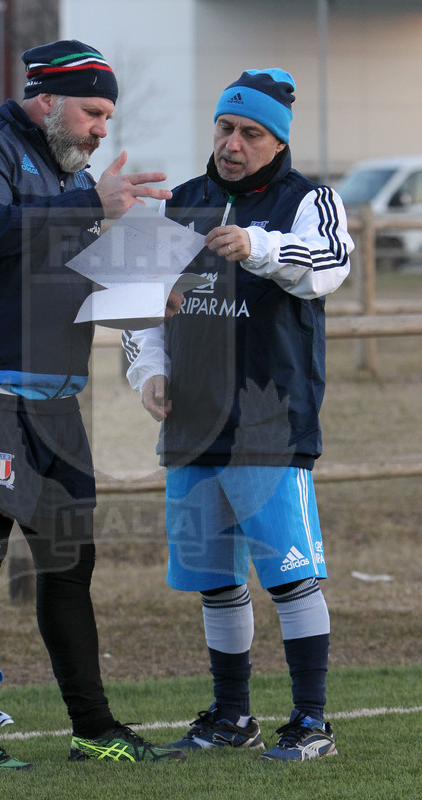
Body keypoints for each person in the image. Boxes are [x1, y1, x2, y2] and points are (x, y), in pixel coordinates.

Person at [0, 39, 187, 770]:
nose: (103, 129)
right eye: (92, 111)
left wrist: (140, 297)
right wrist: (86, 204)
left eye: (109, 115)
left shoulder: (70, 174)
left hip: (57, 405)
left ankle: (93, 730)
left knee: (68, 566)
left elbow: (59, 286)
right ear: (46, 101)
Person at [124, 68, 354, 762]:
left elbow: (329, 266)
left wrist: (257, 246)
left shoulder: (309, 200)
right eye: (226, 128)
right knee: (215, 577)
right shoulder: (178, 205)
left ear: (277, 141)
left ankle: (312, 722)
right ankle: (231, 717)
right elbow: (141, 306)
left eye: (251, 133)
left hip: (269, 419)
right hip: (192, 425)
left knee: (288, 572)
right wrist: (150, 370)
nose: (233, 143)